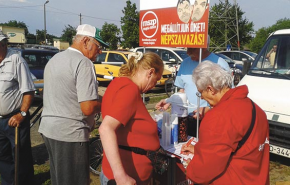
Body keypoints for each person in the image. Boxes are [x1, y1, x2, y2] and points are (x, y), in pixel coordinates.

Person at [181, 61, 269, 184]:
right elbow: (240, 149)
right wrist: (199, 150)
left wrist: (190, 169)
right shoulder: (255, 109)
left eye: (200, 93)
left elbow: (205, 169)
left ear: (210, 89)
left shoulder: (219, 117)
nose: (201, 97)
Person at [38, 24, 104, 185]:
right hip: (69, 133)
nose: (100, 51)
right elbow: (87, 107)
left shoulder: (55, 59)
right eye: (99, 46)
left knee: (59, 179)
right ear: (86, 41)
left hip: (49, 129)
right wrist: (103, 102)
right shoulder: (84, 63)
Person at [99, 52, 164, 185]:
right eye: (156, 80)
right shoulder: (129, 90)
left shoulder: (119, 83)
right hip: (128, 175)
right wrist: (121, 176)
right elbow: (106, 128)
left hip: (126, 170)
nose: (154, 85)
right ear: (150, 72)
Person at [155, 38, 231, 136]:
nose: (187, 52)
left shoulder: (220, 64)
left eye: (192, 48)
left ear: (203, 47)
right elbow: (182, 90)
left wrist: (209, 110)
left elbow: (227, 97)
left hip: (210, 120)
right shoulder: (185, 63)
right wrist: (170, 101)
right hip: (186, 118)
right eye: (187, 48)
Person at [0, 30, 35, 184]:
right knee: (3, 156)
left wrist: (22, 114)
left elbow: (28, 91)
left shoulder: (16, 60)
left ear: (3, 44)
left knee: (21, 157)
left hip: (15, 119)